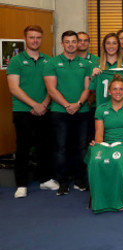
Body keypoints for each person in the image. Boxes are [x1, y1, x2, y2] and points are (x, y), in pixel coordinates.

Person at [7, 25, 58, 198]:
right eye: (31, 37)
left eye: (38, 37)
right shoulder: (16, 61)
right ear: (25, 39)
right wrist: (33, 105)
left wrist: (43, 104)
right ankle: (21, 184)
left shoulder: (49, 60)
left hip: (45, 109)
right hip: (23, 111)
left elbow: (52, 87)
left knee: (45, 146)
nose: (35, 40)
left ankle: (45, 179)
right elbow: (14, 88)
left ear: (41, 39)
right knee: (23, 147)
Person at [43, 31, 92, 196]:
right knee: (61, 148)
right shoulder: (52, 63)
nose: (71, 44)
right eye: (67, 42)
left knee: (81, 148)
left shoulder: (85, 64)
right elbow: (51, 89)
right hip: (59, 111)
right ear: (62, 43)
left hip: (82, 110)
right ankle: (63, 181)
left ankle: (79, 180)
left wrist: (78, 104)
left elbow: (88, 88)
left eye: (74, 41)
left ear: (78, 43)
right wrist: (66, 105)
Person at [86, 75, 123, 213]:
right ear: (109, 91)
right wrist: (98, 144)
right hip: (107, 145)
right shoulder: (101, 108)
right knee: (95, 160)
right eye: (115, 89)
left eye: (121, 89)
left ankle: (119, 200)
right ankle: (100, 200)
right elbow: (99, 133)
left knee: (117, 161)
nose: (118, 92)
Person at [89, 33, 123, 108]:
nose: (111, 46)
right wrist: (92, 76)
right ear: (104, 45)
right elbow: (92, 89)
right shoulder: (97, 64)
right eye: (108, 43)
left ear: (118, 45)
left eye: (114, 43)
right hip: (103, 108)